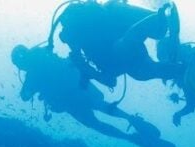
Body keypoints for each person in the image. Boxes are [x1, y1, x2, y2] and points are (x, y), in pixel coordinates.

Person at [11, 44, 176, 147]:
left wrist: (30, 85)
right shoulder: (44, 55)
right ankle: (132, 119)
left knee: (96, 124)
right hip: (81, 88)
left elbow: (25, 96)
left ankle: (130, 138)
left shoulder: (32, 74)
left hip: (70, 102)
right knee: (103, 106)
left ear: (20, 63)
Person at [51, 0, 182, 89]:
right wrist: (87, 73)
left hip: (120, 59)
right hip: (121, 61)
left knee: (142, 68)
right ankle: (180, 69)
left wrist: (87, 73)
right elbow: (109, 80)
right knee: (144, 71)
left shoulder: (76, 32)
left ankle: (162, 20)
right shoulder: (79, 30)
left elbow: (109, 80)